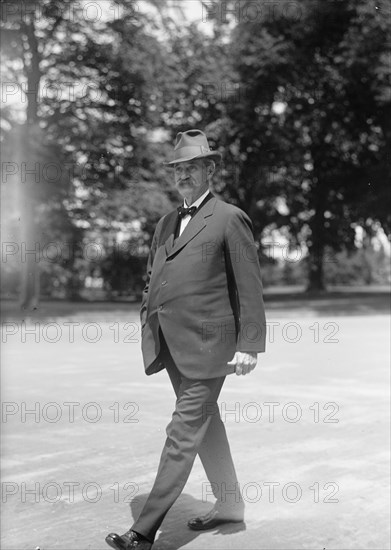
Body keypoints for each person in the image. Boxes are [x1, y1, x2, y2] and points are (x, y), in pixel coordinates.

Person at [106, 129, 266, 550]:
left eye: (191, 168)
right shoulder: (164, 223)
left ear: (209, 170)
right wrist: (147, 313)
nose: (184, 176)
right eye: (178, 169)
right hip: (171, 343)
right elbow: (152, 279)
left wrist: (249, 343)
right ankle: (230, 505)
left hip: (211, 346)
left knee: (182, 431)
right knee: (205, 424)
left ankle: (143, 530)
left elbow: (249, 286)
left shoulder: (230, 217)